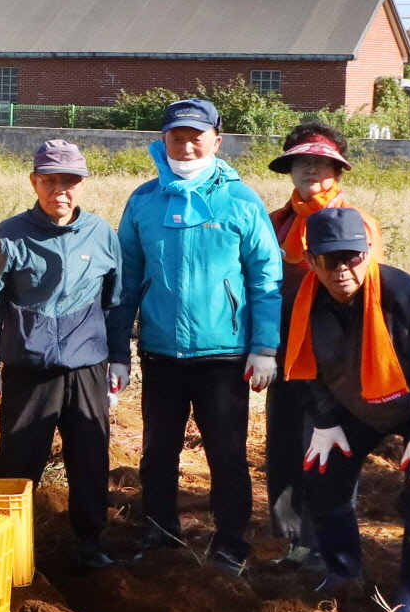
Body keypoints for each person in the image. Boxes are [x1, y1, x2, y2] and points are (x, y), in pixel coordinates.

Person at [109, 97, 283, 570]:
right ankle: (159, 534)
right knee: (158, 450)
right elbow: (125, 279)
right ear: (163, 140)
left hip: (223, 353)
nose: (186, 145)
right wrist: (118, 350)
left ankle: (230, 543)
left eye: (196, 136)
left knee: (226, 453)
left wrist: (264, 346)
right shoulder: (144, 199)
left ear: (216, 141)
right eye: (177, 136)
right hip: (161, 350)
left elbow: (266, 277)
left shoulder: (241, 200)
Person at [288, 205, 410, 612]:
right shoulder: (301, 301)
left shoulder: (403, 292)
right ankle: (344, 571)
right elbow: (305, 367)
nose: (341, 270)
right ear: (311, 261)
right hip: (356, 406)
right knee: (322, 474)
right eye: (328, 260)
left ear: (367, 252)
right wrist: (326, 419)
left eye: (351, 257)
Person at [0, 140, 125, 568]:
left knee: (90, 456)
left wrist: (119, 357)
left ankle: (91, 541)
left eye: (70, 181)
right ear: (34, 181)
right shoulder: (8, 235)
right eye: (50, 180)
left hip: (87, 366)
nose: (60, 190)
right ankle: (1, 544)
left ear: (83, 184)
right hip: (28, 368)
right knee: (18, 458)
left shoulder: (101, 234)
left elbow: (115, 301)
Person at [264, 122, 375, 565]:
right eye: (302, 161)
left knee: (327, 450)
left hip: (334, 363)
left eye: (321, 162)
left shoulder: (357, 222)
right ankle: (295, 542)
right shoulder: (275, 222)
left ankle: (326, 545)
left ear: (338, 170)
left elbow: (367, 293)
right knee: (285, 448)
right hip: (283, 356)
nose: (311, 169)